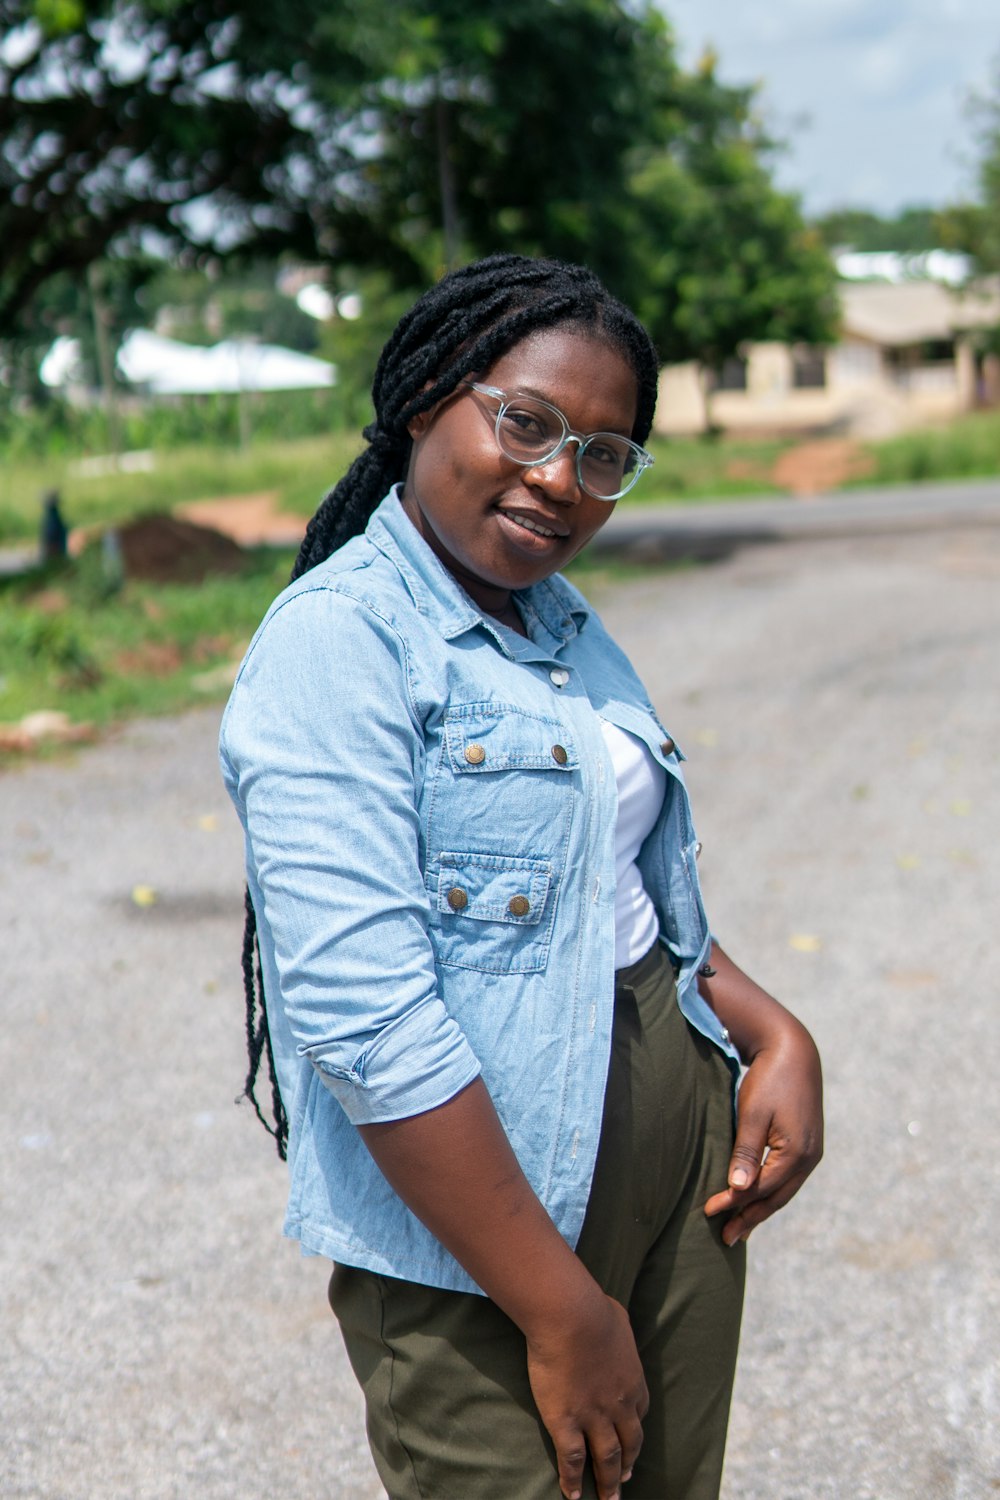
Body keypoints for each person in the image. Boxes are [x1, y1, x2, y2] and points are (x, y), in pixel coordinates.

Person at [219, 254, 823, 1500]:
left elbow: (605, 883)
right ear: (430, 393)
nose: (561, 480)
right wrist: (560, 1310)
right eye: (528, 424)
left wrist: (767, 1028)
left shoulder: (556, 617)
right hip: (485, 1231)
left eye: (604, 455)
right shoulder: (340, 643)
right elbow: (365, 1023)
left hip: (676, 1167)